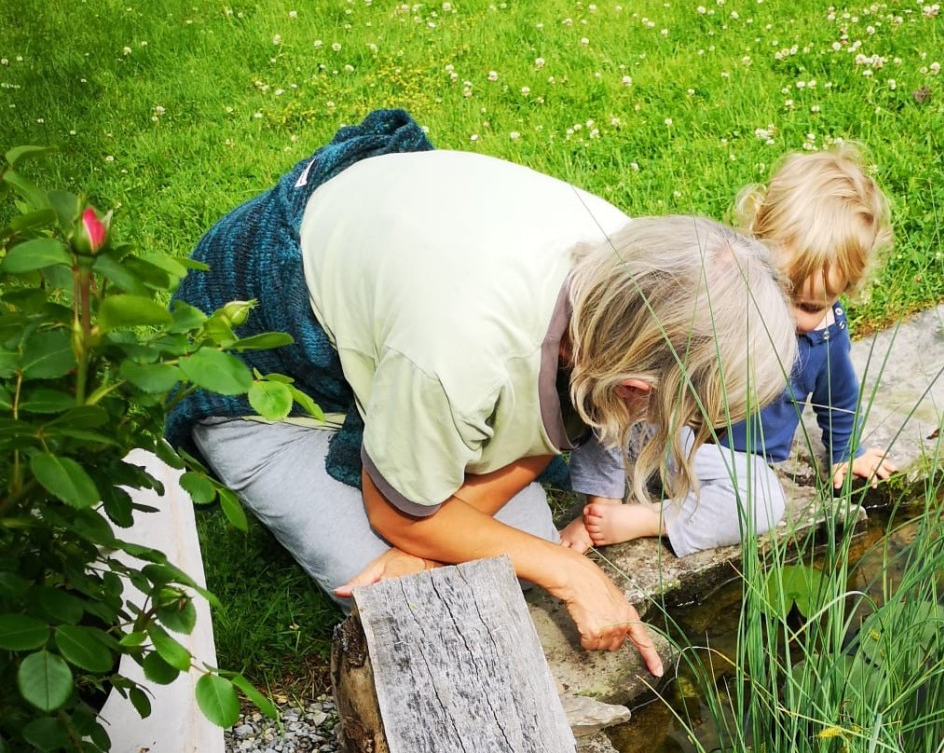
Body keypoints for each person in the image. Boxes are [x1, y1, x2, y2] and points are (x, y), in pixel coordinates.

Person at [167, 110, 795, 676]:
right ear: (632, 384)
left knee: (487, 565)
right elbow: (397, 513)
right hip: (265, 381)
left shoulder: (636, 273)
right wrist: (567, 571)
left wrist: (441, 543)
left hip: (408, 341)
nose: (690, 430)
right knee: (430, 608)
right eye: (684, 411)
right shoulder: (457, 349)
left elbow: (565, 420)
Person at [559, 143, 894, 557]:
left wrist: (847, 453)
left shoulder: (825, 338)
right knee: (619, 397)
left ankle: (656, 517)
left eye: (809, 306)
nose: (786, 316)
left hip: (730, 459)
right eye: (778, 290)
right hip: (672, 429)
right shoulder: (723, 301)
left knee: (763, 501)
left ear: (845, 291)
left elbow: (838, 398)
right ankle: (602, 504)